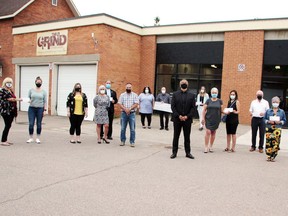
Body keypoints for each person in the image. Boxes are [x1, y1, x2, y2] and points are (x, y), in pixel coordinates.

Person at [170, 79, 195, 159]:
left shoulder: (192, 95)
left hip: (187, 119)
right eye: (182, 83)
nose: (184, 84)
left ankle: (188, 153)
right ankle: (174, 152)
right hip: (177, 119)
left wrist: (187, 116)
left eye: (185, 83)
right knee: (176, 136)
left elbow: (193, 108)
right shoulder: (175, 94)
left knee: (187, 137)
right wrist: (179, 116)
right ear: (180, 85)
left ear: (187, 85)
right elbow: (173, 107)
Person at [0, 77, 22, 146]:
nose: (9, 84)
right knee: (7, 125)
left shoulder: (10, 90)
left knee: (9, 125)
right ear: (5, 83)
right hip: (5, 110)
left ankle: (5, 139)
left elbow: (12, 98)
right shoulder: (2, 90)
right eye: (8, 82)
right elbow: (10, 99)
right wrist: (17, 99)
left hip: (11, 110)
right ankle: (3, 140)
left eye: (10, 82)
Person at [264, 96, 286, 162]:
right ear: (271, 102)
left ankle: (273, 156)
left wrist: (280, 122)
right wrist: (268, 121)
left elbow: (284, 120)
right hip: (269, 128)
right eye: (274, 102)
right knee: (268, 142)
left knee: (276, 143)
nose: (275, 103)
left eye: (276, 102)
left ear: (279, 102)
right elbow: (264, 119)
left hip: (277, 129)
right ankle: (268, 156)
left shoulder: (282, 111)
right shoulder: (268, 111)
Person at [202, 87, 223, 153]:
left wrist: (224, 114)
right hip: (208, 118)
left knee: (213, 132)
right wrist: (203, 118)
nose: (214, 94)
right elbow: (204, 110)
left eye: (215, 93)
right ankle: (206, 146)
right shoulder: (208, 100)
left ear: (217, 93)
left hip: (216, 119)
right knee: (208, 132)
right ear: (211, 93)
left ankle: (211, 146)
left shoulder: (220, 101)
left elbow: (221, 111)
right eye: (213, 93)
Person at [26, 76, 47, 144]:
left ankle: (38, 138)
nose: (38, 83)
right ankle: (31, 137)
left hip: (40, 109)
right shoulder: (31, 90)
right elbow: (28, 98)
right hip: (32, 108)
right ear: (35, 82)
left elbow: (45, 101)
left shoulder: (43, 91)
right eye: (37, 82)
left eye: (40, 82)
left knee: (39, 124)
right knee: (31, 123)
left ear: (41, 83)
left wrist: (45, 110)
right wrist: (29, 100)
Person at [118, 83, 139, 147]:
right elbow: (120, 103)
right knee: (122, 128)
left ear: (131, 88)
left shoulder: (135, 95)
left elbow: (136, 103)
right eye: (127, 87)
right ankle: (122, 141)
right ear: (125, 87)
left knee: (132, 129)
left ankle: (132, 142)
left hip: (132, 114)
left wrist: (129, 109)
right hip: (124, 114)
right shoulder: (122, 95)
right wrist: (125, 109)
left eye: (129, 87)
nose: (128, 88)